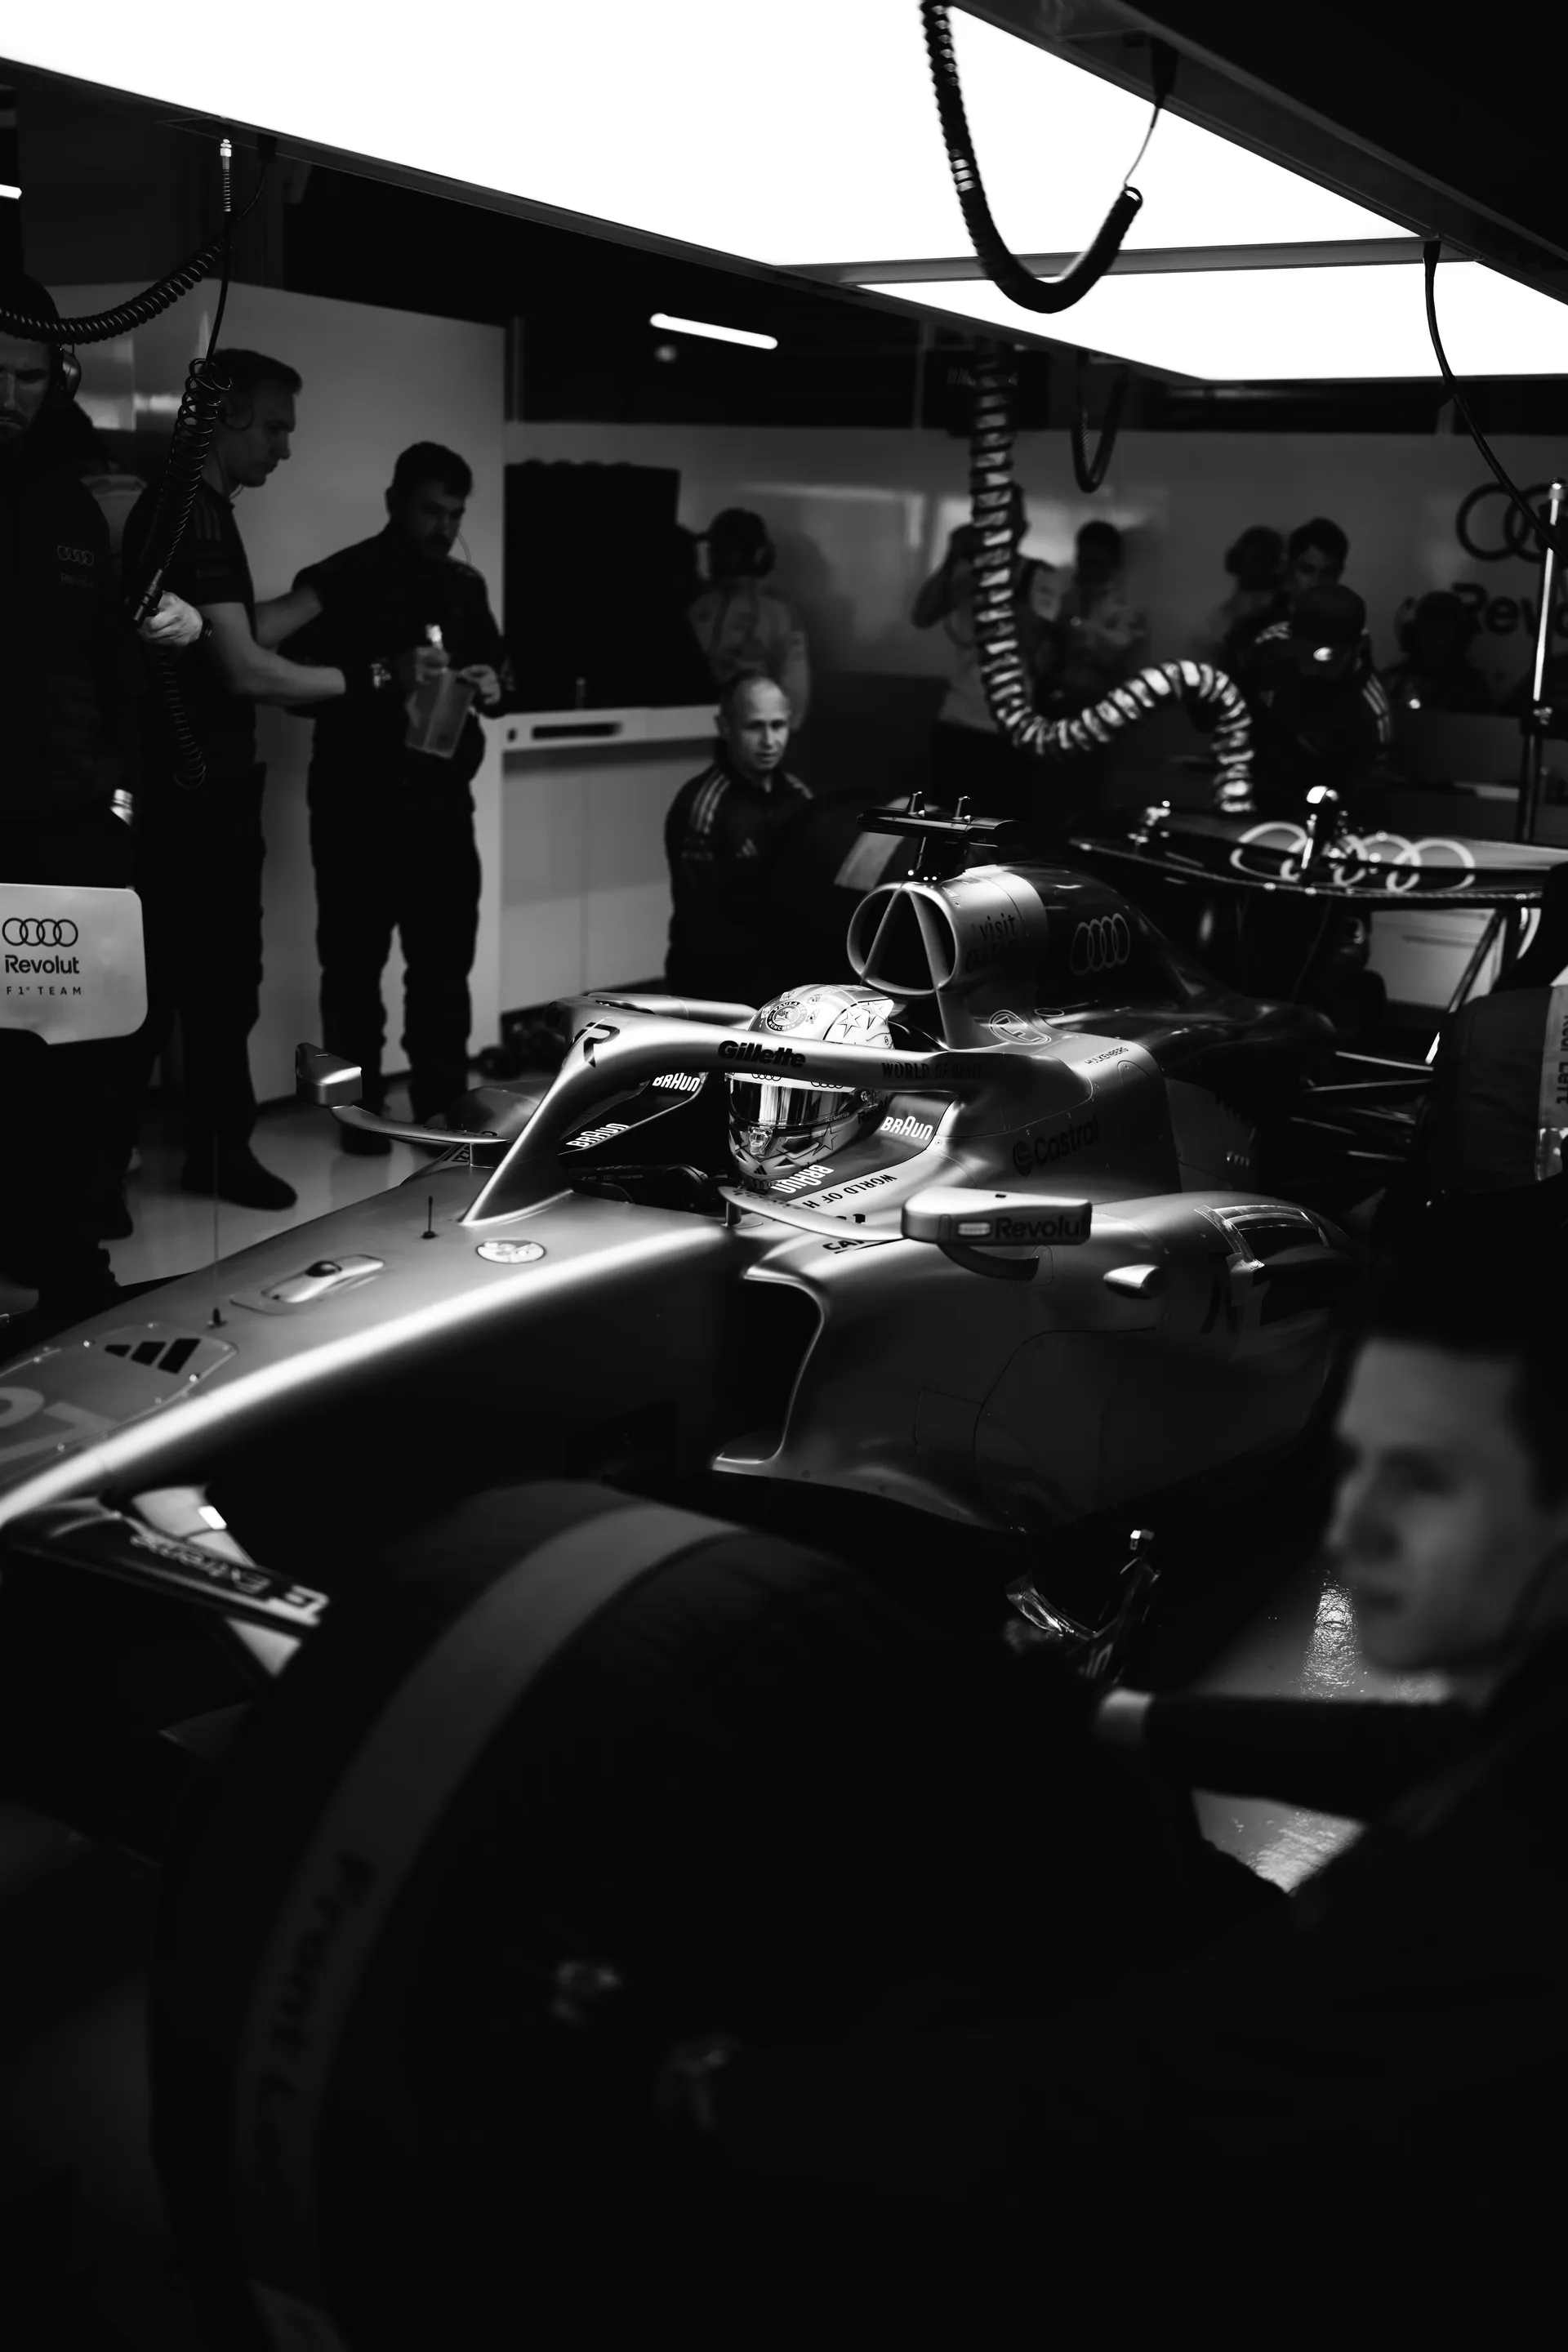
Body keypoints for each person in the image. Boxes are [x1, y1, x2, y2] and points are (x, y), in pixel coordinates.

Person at [642, 1244, 1568, 2329]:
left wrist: (710, 2088)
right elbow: (1436, 1752)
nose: (1352, 1528)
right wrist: (1111, 1718)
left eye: (1423, 1480)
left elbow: (1137, 2084)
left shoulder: (1484, 1880)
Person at [120, 354, 443, 1208]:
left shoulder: (208, 513)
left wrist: (320, 592)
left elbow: (234, 628)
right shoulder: (188, 508)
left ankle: (200, 1155)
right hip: (194, 797)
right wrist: (379, 677)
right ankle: (142, 1168)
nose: (286, 448)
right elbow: (249, 672)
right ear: (223, 416)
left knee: (220, 981)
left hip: (216, 792)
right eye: (274, 427)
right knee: (198, 984)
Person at [0, 274, 202, 1343]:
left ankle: (68, 1266)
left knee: (76, 1059)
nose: (10, 393)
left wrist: (161, 628)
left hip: (69, 828)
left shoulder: (71, 500)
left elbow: (105, 666)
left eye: (29, 374)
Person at [276, 441, 510, 1147]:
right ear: (395, 502)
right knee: (351, 974)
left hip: (442, 807)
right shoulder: (337, 580)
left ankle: (444, 1108)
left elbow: (499, 668)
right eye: (432, 510)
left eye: (456, 513)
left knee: (444, 972)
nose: (444, 525)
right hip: (357, 807)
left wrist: (496, 687)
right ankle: (356, 1116)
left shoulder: (465, 588)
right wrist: (386, 675)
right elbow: (289, 688)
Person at [663, 672, 813, 1008]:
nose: (769, 741)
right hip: (711, 986)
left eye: (778, 726)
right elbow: (701, 922)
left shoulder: (800, 797)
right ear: (725, 727)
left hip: (781, 984)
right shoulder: (703, 804)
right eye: (754, 727)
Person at [912, 486, 1056, 826]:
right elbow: (922, 616)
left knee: (1000, 832)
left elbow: (1034, 639)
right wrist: (953, 559)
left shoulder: (1040, 576)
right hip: (958, 720)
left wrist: (999, 575)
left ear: (1022, 528)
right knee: (946, 827)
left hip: (1010, 727)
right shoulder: (965, 573)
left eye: (1008, 520)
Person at [1236, 581, 1393, 815]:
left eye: (1325, 657)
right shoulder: (1268, 650)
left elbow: (1364, 802)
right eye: (1303, 653)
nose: (1311, 669)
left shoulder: (1370, 712)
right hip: (1253, 790)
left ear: (1357, 646)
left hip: (1322, 810)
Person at [688, 510, 811, 729]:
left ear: (752, 553)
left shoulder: (778, 612)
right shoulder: (699, 606)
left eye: (726, 548)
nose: (715, 555)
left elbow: (794, 685)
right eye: (714, 548)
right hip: (693, 728)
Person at [1035, 518, 1149, 715]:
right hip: (1054, 701)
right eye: (1082, 561)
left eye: (1095, 563)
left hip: (1101, 708)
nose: (1087, 571)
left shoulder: (1127, 611)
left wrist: (1075, 624)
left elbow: (1116, 653)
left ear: (1115, 563)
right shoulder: (1065, 597)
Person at [1225, 514, 1352, 668]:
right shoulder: (1251, 631)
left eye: (1327, 573)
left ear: (1339, 574)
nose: (1316, 583)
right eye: (1307, 570)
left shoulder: (1349, 633)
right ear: (1290, 567)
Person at [1384, 590, 1494, 715]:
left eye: (1442, 629)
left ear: (1459, 636)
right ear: (1414, 632)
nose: (1434, 637)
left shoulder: (1473, 688)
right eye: (1428, 627)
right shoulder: (1393, 683)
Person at [1190, 523, 1283, 668]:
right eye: (1251, 559)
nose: (1254, 569)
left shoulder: (1282, 613)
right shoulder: (1219, 619)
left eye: (1259, 560)